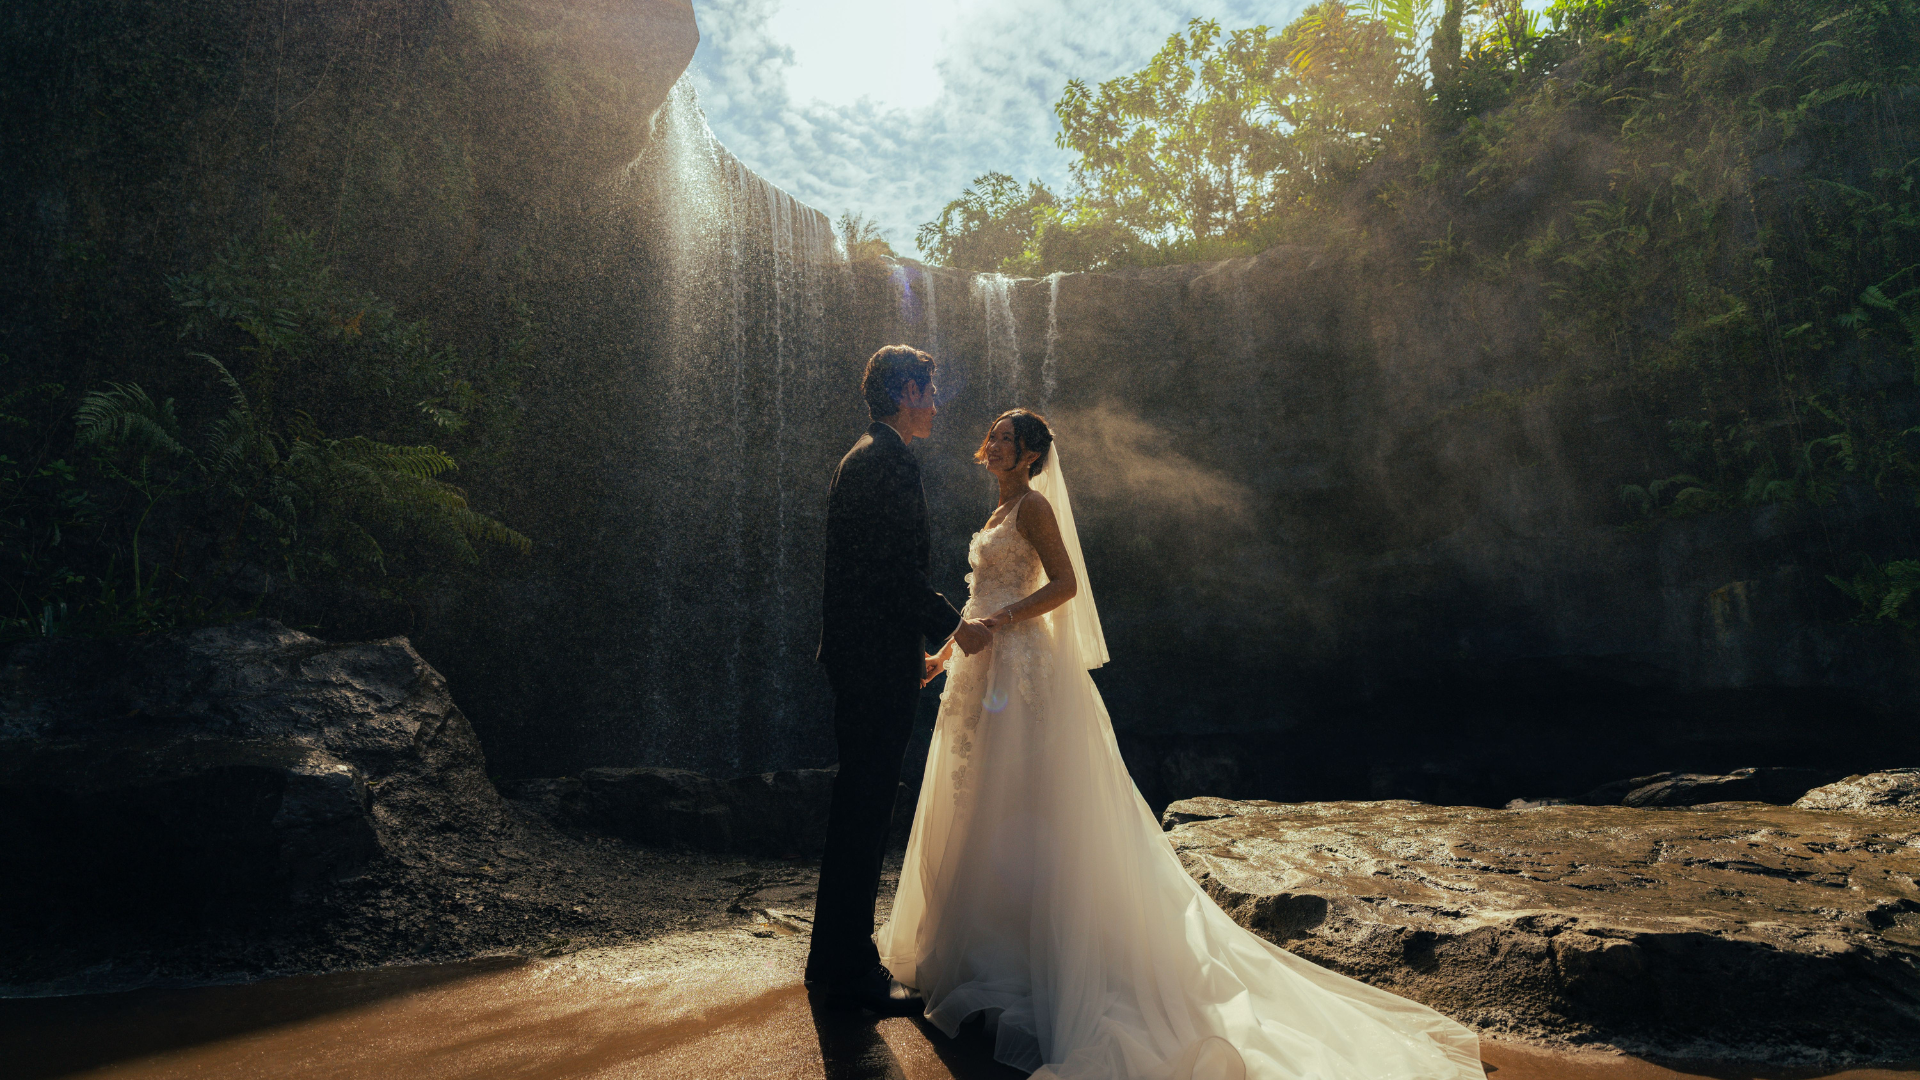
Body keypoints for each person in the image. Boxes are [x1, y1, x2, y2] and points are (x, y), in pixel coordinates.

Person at [876, 409, 1485, 1080]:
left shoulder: (1035, 509)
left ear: (1025, 457)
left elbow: (1067, 586)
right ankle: (983, 952)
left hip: (1023, 671)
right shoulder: (996, 514)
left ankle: (1034, 959)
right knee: (979, 803)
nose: (988, 442)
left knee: (1029, 803)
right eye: (991, 433)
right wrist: (939, 657)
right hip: (982, 669)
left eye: (1002, 437)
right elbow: (979, 589)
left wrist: (1002, 619)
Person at [808, 345, 994, 1016]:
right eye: (930, 391)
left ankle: (831, 960)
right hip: (870, 659)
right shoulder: (884, 462)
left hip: (869, 654)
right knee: (865, 809)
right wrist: (955, 627)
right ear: (907, 392)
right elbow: (891, 573)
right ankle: (851, 970)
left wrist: (906, 648)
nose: (937, 405)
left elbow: (871, 576)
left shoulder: (866, 456)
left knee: (858, 805)